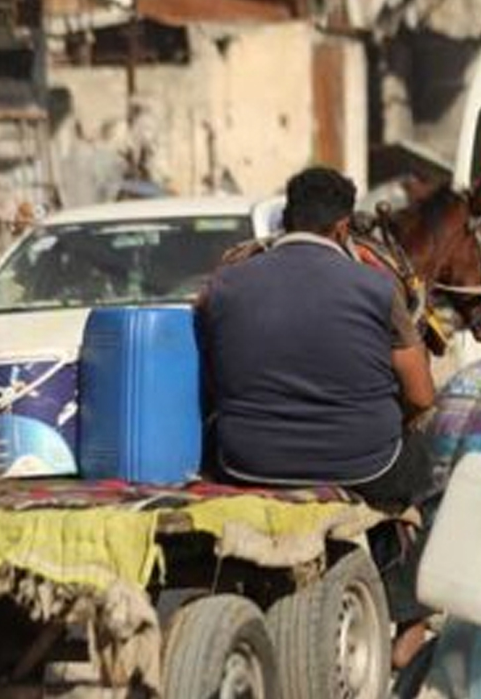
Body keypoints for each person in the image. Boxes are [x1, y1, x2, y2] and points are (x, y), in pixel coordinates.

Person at [197, 166, 436, 669]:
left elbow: (209, 380)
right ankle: (411, 619)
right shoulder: (374, 288)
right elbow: (420, 394)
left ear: (287, 219)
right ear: (344, 228)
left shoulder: (223, 285)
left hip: (245, 460)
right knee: (426, 462)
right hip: (363, 463)